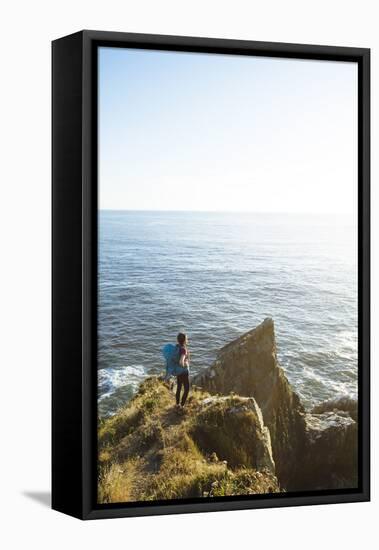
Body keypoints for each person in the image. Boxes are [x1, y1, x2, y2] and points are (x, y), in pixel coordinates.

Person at [175, 333, 190, 412]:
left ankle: (177, 404)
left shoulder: (176, 347)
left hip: (178, 371)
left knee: (179, 388)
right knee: (187, 389)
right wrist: (184, 364)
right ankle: (182, 406)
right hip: (183, 372)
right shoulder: (183, 349)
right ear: (185, 340)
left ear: (177, 340)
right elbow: (181, 361)